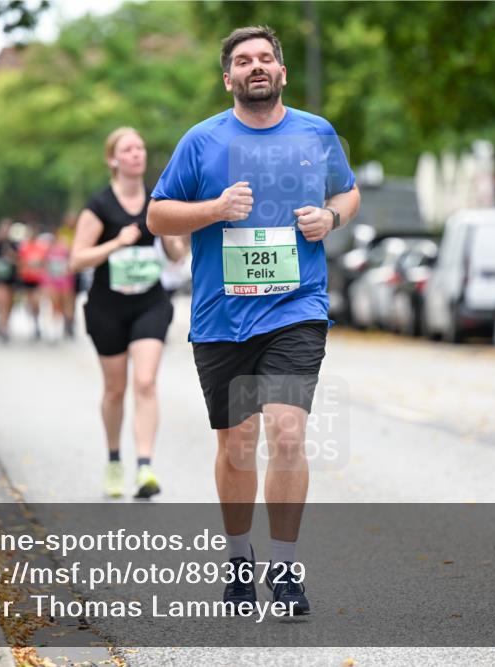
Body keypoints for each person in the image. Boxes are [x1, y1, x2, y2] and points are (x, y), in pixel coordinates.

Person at [147, 25, 360, 615]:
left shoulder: (316, 133)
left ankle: (286, 569)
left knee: (288, 433)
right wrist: (214, 210)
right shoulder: (202, 141)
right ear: (228, 78)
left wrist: (330, 219)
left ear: (282, 72)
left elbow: (349, 194)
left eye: (266, 58)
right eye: (244, 61)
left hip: (296, 309)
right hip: (222, 317)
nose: (256, 66)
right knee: (238, 446)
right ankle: (240, 562)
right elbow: (157, 216)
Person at [70, 127, 187, 500]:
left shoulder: (158, 201)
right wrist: (115, 243)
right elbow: (77, 259)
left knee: (146, 383)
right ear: (113, 159)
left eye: (140, 147)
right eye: (128, 148)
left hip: (150, 303)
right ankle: (114, 459)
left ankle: (145, 467)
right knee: (116, 390)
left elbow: (177, 256)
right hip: (107, 307)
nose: (137, 153)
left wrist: (171, 240)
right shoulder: (99, 206)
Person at [0, 219, 18, 343]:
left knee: (8, 304)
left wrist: (12, 257)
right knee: (1, 302)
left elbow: (19, 261)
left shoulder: (14, 245)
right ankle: (2, 326)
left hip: (10, 279)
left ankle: (4, 324)